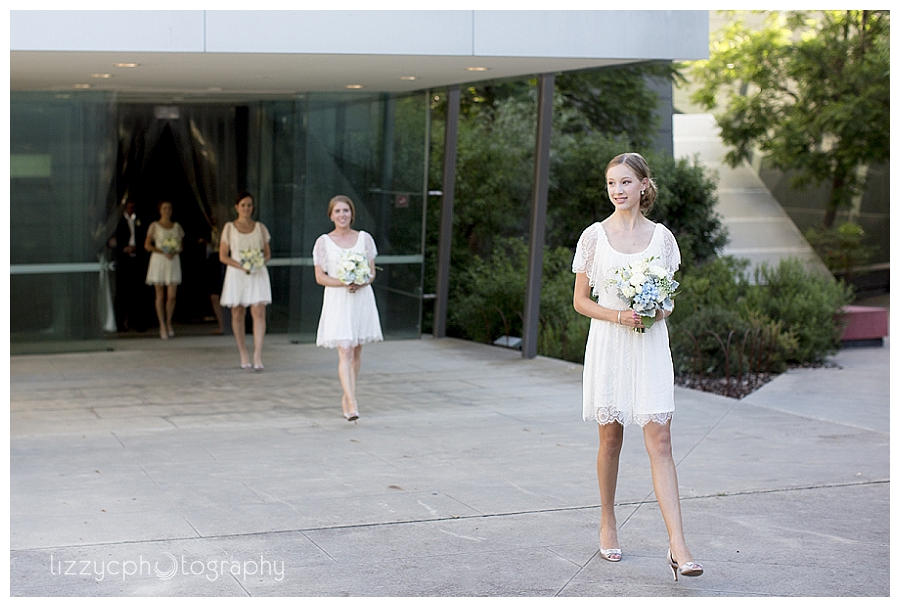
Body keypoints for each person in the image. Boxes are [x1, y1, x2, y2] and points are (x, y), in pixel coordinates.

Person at [572, 152, 703, 581]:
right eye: (611, 183)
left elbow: (668, 301)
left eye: (625, 182)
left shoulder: (662, 238)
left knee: (661, 440)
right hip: (610, 343)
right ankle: (608, 519)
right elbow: (580, 301)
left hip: (648, 347)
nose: (617, 190)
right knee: (610, 440)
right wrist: (619, 315)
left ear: (644, 185)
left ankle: (678, 544)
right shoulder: (594, 237)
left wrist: (653, 312)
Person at [313, 195, 383, 422]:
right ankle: (352, 402)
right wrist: (343, 282)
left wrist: (361, 280)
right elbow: (320, 276)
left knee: (356, 350)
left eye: (346, 211)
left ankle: (347, 395)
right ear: (331, 215)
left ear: (352, 214)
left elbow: (372, 272)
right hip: (338, 300)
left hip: (360, 299)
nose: (342, 215)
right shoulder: (323, 242)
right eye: (338, 211)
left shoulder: (364, 239)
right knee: (345, 349)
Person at [219, 191, 272, 370]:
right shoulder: (229, 228)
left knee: (258, 311)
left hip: (256, 273)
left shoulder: (260, 227)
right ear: (237, 207)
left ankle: (258, 354)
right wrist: (241, 266)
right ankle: (243, 353)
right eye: (243, 205)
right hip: (237, 273)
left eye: (249, 205)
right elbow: (223, 256)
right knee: (237, 312)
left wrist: (257, 263)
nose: (246, 208)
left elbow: (267, 253)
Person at [144, 200, 184, 340]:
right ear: (160, 210)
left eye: (169, 208)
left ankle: (168, 322)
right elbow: (147, 245)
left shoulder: (176, 226)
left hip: (172, 261)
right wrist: (162, 251)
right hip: (159, 261)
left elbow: (181, 245)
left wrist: (174, 250)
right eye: (165, 208)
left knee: (172, 295)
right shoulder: (154, 226)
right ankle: (162, 324)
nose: (167, 210)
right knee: (160, 294)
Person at [111, 198, 148, 332]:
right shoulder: (118, 222)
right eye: (129, 206)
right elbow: (112, 241)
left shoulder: (139, 220)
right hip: (124, 260)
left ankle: (137, 321)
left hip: (136, 259)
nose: (131, 209)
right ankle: (120, 322)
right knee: (122, 292)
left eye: (133, 206)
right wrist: (123, 248)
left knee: (137, 291)